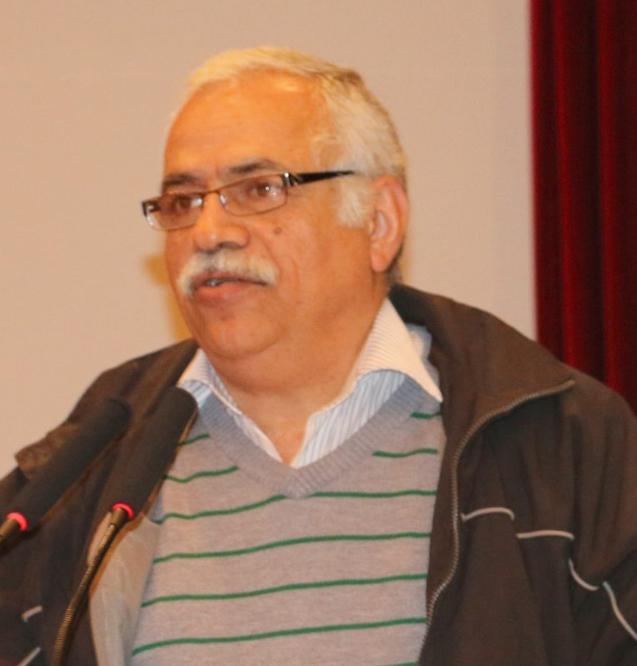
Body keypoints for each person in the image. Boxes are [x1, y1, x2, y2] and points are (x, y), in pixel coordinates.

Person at [0, 47, 635, 666]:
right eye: (183, 201)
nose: (209, 232)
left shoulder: (561, 444)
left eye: (259, 189)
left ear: (379, 222)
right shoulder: (96, 461)